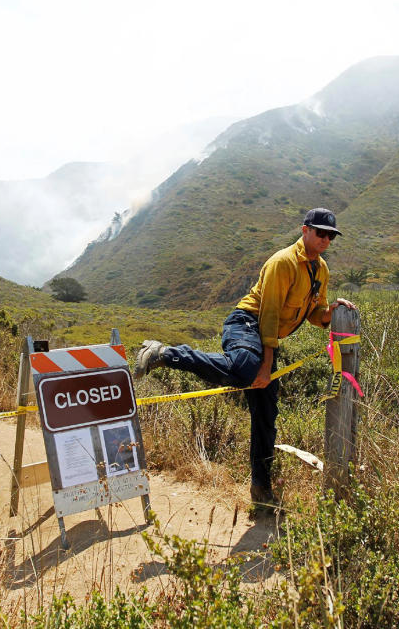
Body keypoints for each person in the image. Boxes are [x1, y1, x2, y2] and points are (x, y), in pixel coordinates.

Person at [134, 207, 355, 508]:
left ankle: (261, 491)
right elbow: (270, 315)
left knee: (266, 417)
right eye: (320, 232)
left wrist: (330, 313)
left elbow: (316, 313)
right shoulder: (283, 262)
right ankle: (166, 353)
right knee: (246, 371)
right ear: (305, 230)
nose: (325, 239)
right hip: (247, 323)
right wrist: (265, 366)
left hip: (265, 336)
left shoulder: (321, 270)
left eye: (330, 235)